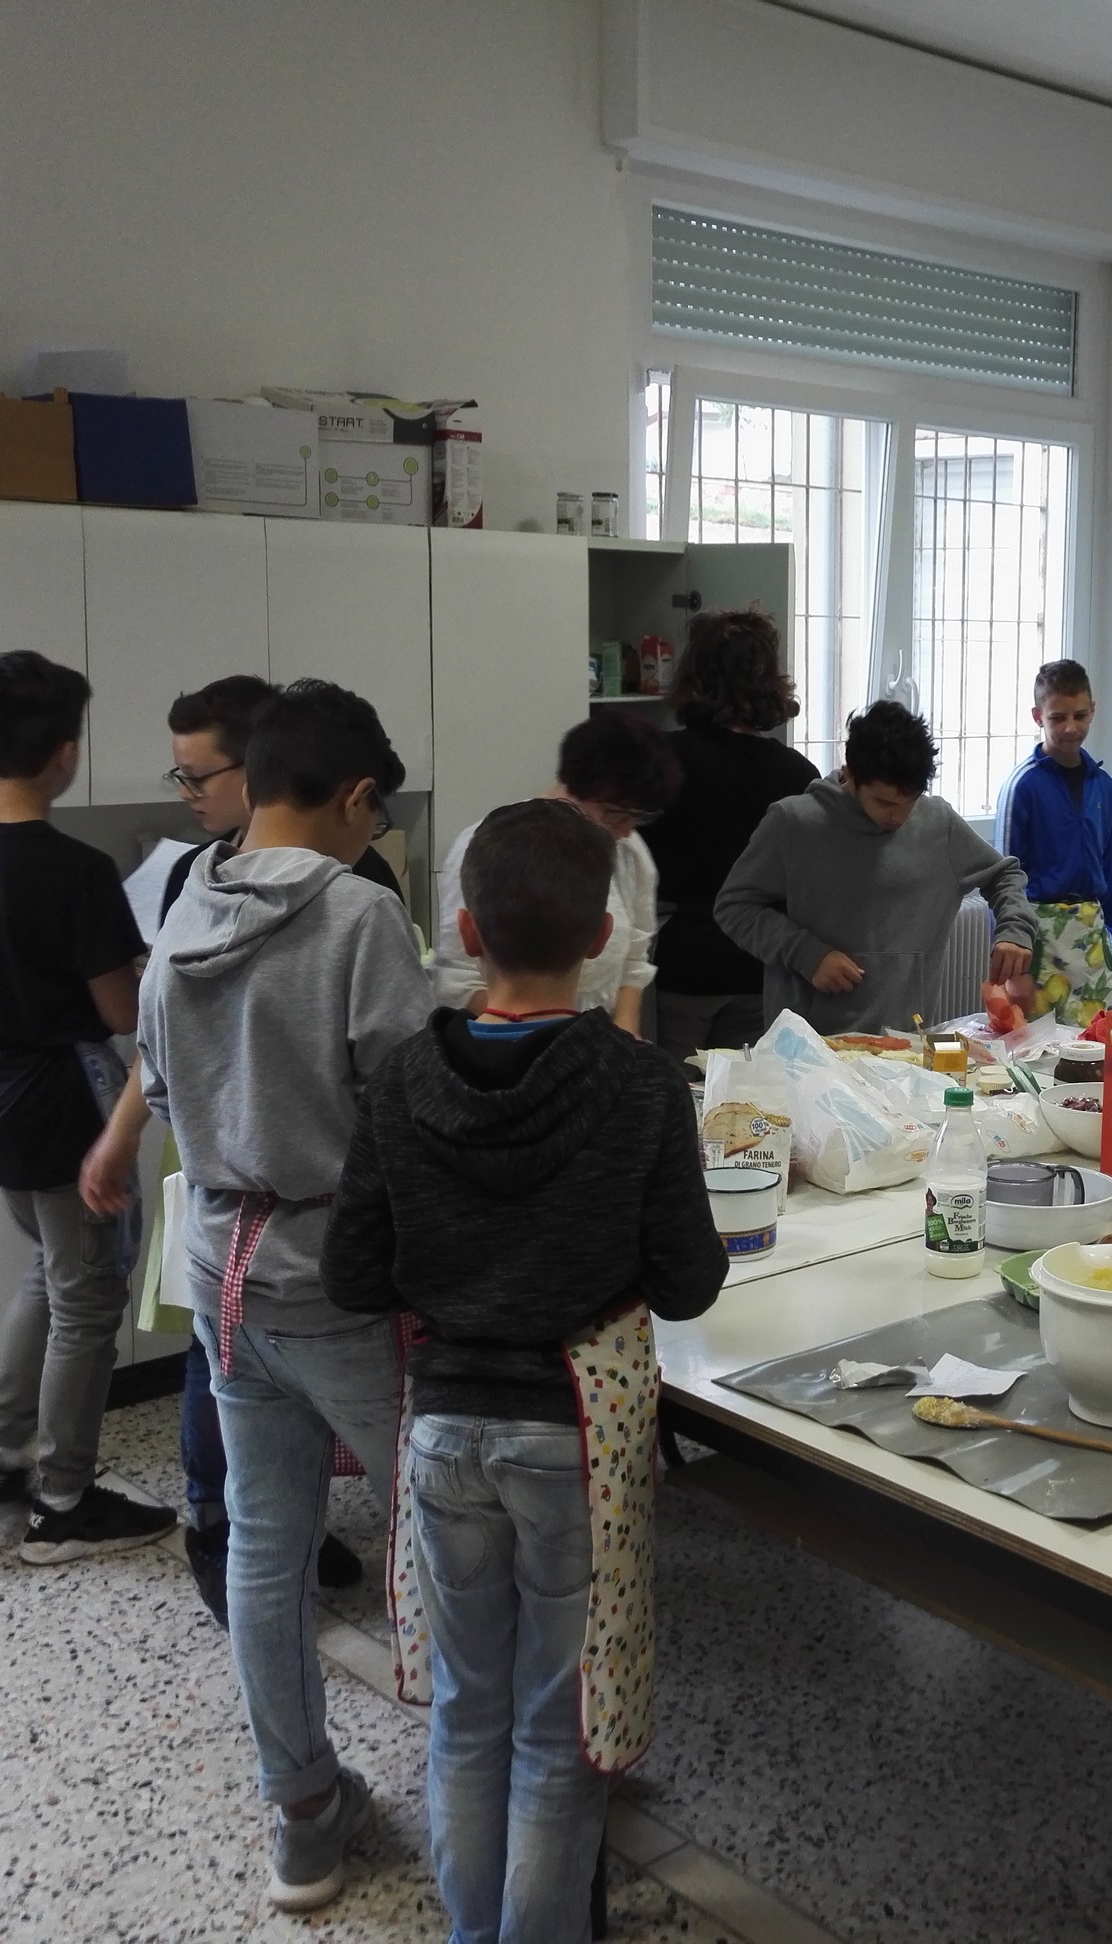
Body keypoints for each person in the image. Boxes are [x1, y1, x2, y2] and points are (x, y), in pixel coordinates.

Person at [325, 798, 728, 1944]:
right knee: (557, 1737)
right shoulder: (639, 1086)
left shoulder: (403, 1079)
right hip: (572, 1438)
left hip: (443, 1430)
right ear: (602, 937)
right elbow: (688, 1282)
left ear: (463, 930)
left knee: (465, 1715)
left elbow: (352, 1273)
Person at [137, 679, 433, 1913]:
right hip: (339, 1276)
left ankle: (304, 1816)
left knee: (264, 1547)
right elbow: (412, 1111)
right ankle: (494, 1785)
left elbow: (163, 1094)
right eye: (377, 817)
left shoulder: (178, 910)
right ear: (355, 798)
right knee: (445, 1530)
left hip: (222, 1272)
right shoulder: (360, 915)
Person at [76, 673, 373, 1622]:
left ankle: (285, 1520)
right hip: (259, 1197)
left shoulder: (344, 881)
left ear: (260, 770)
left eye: (198, 775)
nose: (186, 793)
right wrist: (124, 1132)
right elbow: (159, 1043)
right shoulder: (203, 879)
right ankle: (216, 1518)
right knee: (228, 1362)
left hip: (262, 1200)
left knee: (272, 1404)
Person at [0, 650, 173, 1562]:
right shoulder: (75, 870)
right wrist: (148, 969)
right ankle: (63, 1501)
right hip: (61, 1097)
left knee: (52, 1268)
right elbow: (117, 1011)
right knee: (88, 1299)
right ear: (66, 751)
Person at [716, 701, 1035, 1035]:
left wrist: (1015, 931)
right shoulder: (794, 823)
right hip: (804, 1042)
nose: (898, 817)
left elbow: (1004, 874)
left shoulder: (938, 823)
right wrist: (807, 955)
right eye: (884, 802)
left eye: (910, 801)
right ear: (851, 773)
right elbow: (734, 906)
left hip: (903, 1041)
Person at [645, 609, 820, 1061]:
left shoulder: (661, 759)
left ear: (694, 676)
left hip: (682, 961)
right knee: (749, 1093)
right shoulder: (797, 773)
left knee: (674, 1089)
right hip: (760, 963)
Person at [435, 711, 678, 1032]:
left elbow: (634, 962)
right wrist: (554, 1033)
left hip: (596, 1038)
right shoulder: (493, 843)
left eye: (638, 816)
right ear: (574, 786)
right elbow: (457, 977)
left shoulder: (630, 853)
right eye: (615, 813)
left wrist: (625, 1038)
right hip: (506, 1037)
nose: (626, 829)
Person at [993, 658, 1112, 1025]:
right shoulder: (1022, 786)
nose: (1071, 727)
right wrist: (1015, 970)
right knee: (1041, 1051)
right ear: (1037, 716)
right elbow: (1004, 882)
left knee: (1103, 1044)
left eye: (1080, 715)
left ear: (1093, 710)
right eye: (1058, 718)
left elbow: (1110, 868)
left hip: (1092, 939)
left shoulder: (1103, 786)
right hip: (1037, 942)